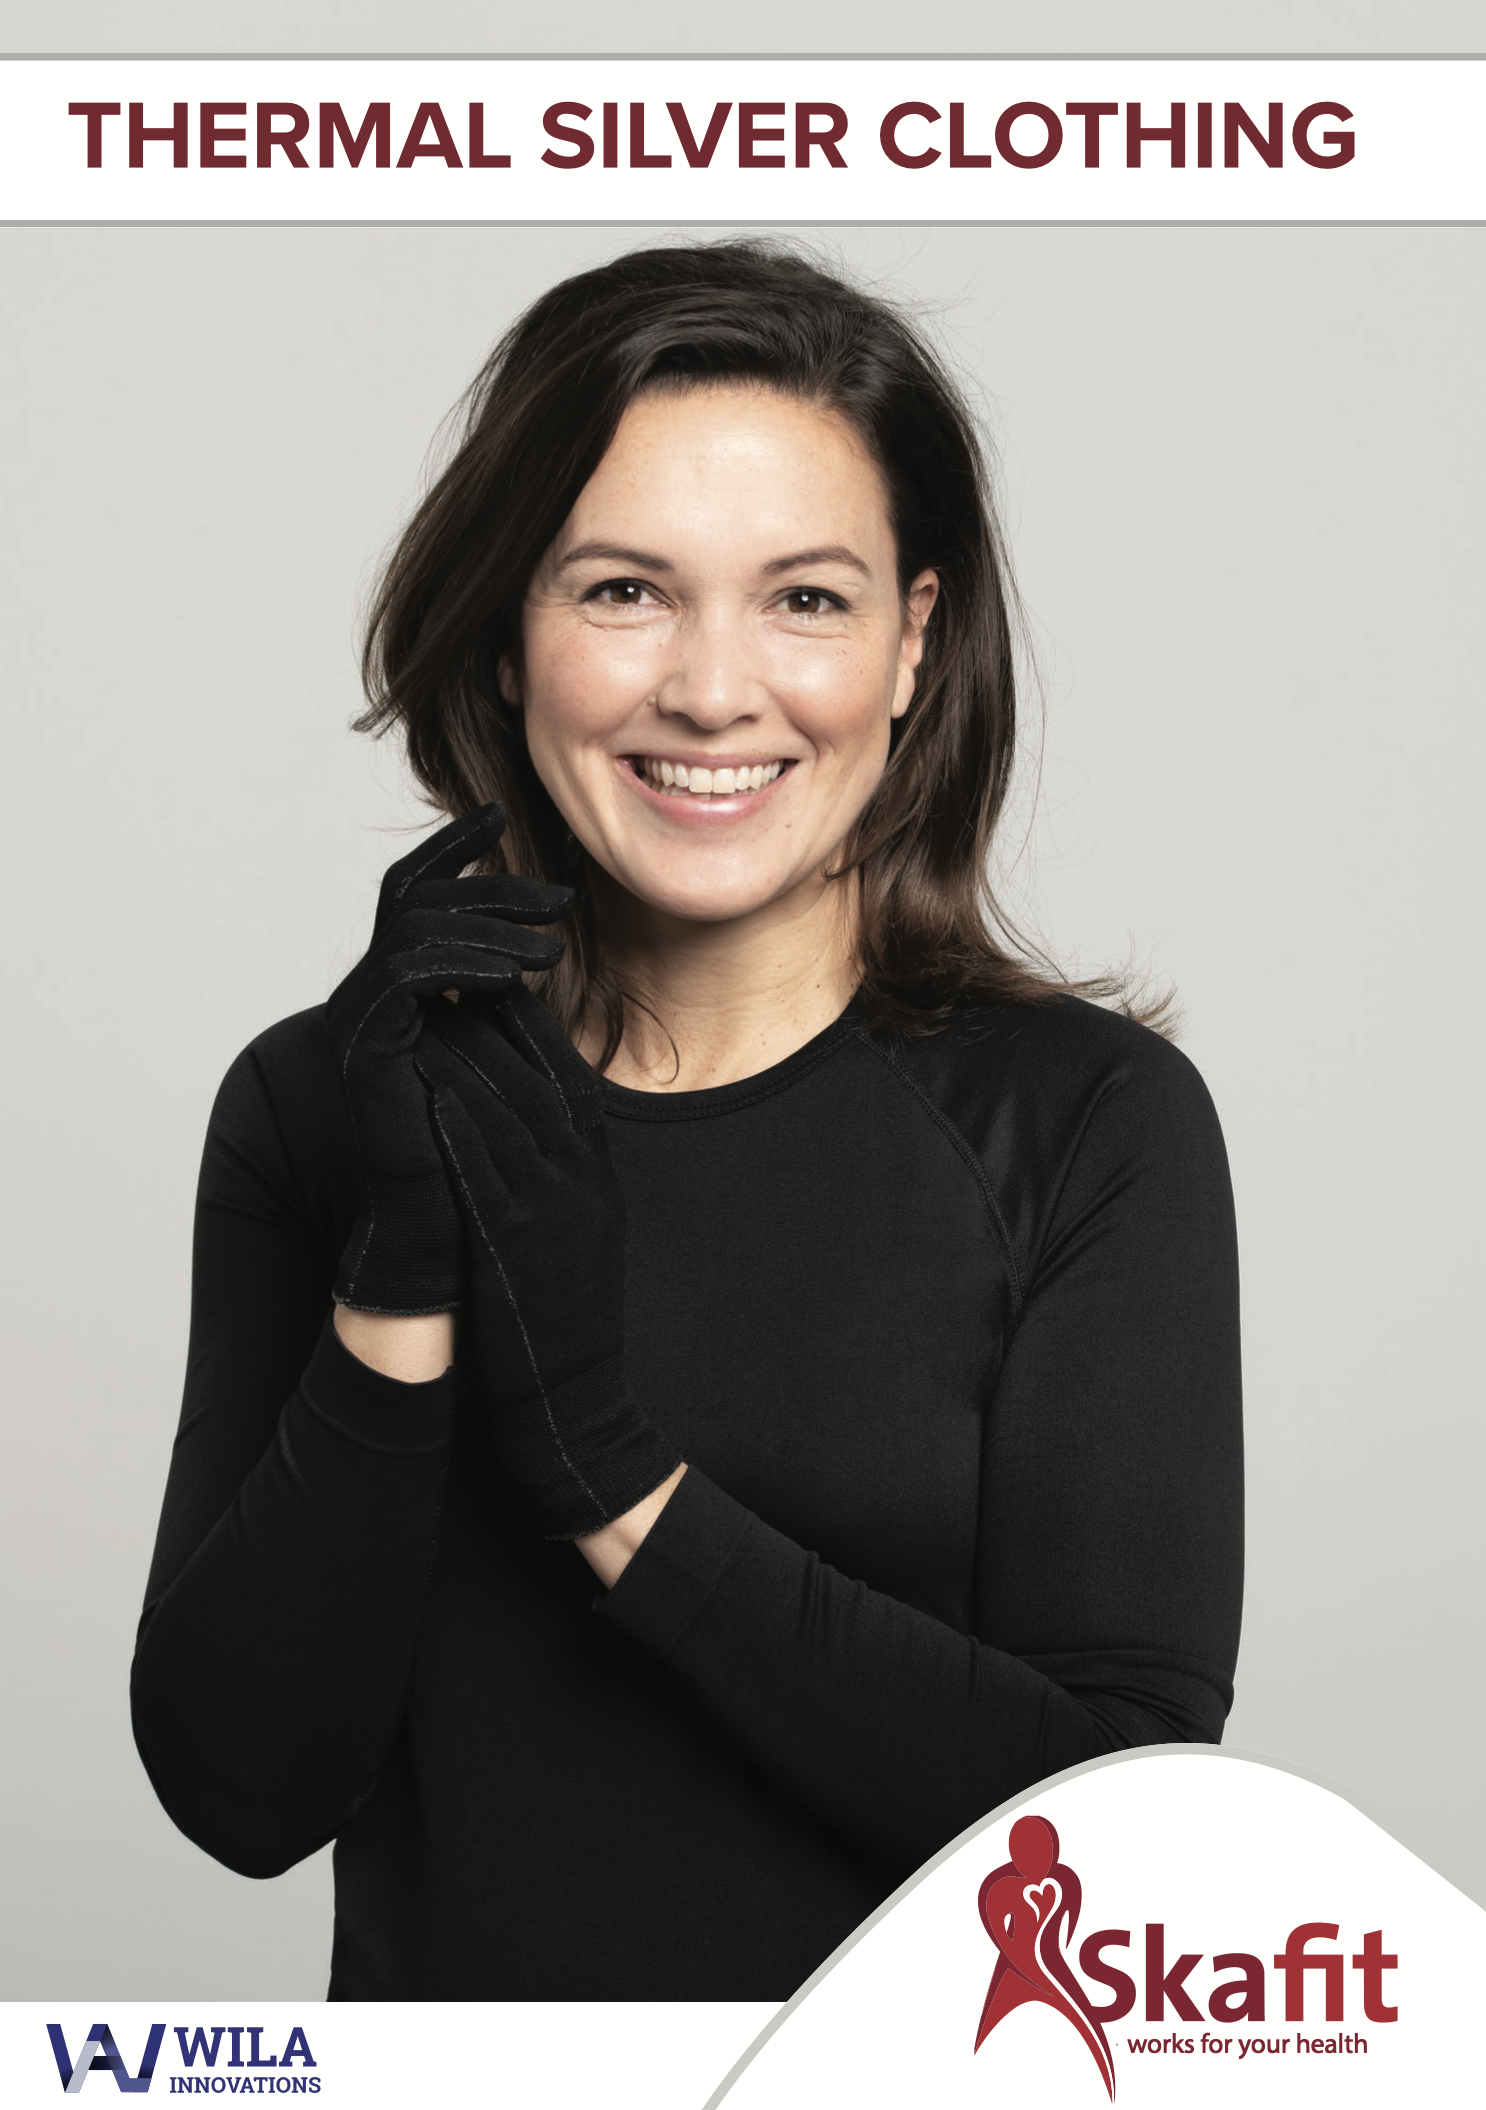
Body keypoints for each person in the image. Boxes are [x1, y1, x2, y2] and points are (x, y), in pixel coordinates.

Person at [130, 240, 1243, 2001]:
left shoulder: (1088, 1127)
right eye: (622, 591)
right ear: (507, 635)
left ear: (911, 642)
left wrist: (612, 1481)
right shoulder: (316, 1106)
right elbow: (242, 1787)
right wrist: (401, 1277)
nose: (713, 690)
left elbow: (1120, 1829)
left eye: (804, 598)